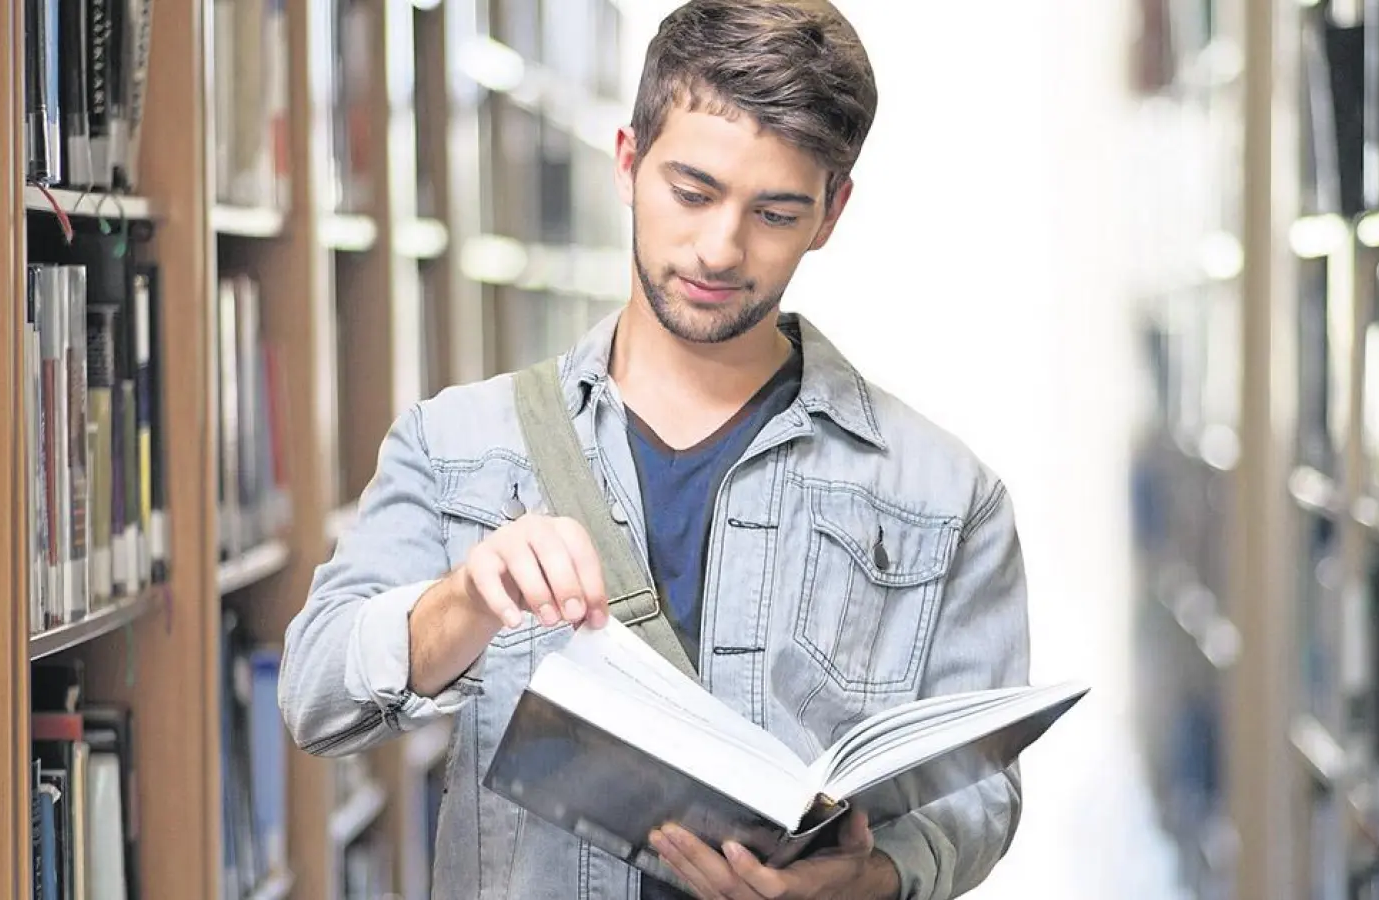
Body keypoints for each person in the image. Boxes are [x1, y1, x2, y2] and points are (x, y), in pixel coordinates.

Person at [278, 1, 1031, 898]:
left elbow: (980, 797)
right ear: (628, 162)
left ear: (831, 214)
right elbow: (315, 698)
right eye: (693, 191)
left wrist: (870, 881)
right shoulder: (458, 445)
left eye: (776, 213)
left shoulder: (948, 496)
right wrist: (463, 601)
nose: (720, 248)